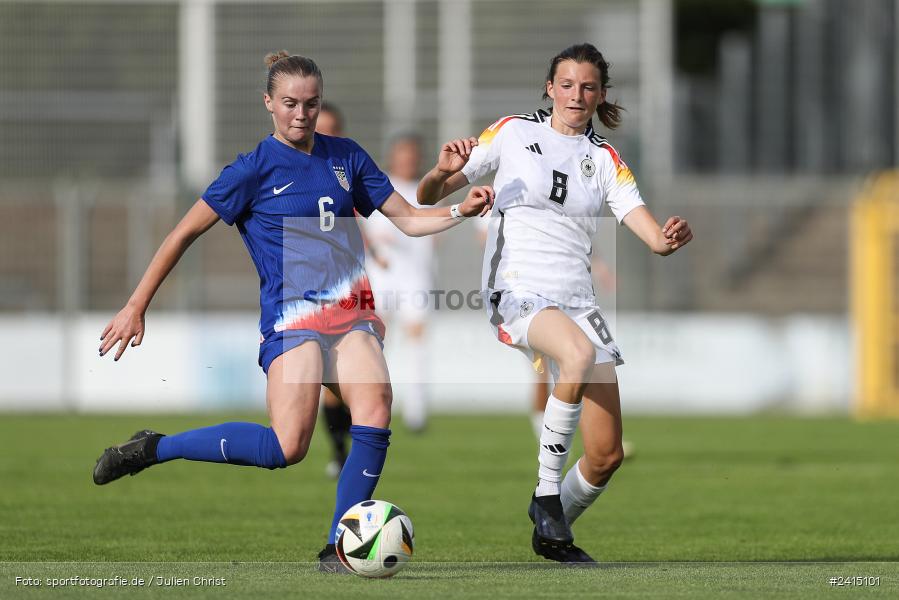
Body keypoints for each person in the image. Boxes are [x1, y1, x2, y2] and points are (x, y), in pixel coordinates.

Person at [93, 51, 493, 573]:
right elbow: (182, 233)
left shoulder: (346, 156)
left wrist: (459, 211)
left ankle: (338, 546)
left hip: (351, 313)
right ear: (269, 104)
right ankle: (156, 448)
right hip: (293, 319)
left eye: (310, 103)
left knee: (374, 409)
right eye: (290, 104)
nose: (301, 113)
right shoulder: (251, 170)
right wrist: (135, 305)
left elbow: (410, 221)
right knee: (287, 446)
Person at [418, 43, 692, 565]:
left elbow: (654, 239)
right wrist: (440, 171)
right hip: (518, 288)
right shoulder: (514, 131)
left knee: (606, 454)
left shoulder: (606, 160)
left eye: (587, 87)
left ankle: (551, 531)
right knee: (575, 356)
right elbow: (431, 194)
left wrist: (672, 236)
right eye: (566, 84)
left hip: (577, 301)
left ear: (601, 95)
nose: (576, 95)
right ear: (549, 87)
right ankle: (546, 494)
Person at [363, 133, 434, 432]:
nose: (407, 160)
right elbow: (361, 224)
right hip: (381, 274)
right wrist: (375, 249)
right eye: (402, 154)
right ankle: (372, 402)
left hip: (415, 275)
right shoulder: (380, 186)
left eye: (412, 155)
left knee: (417, 339)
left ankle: (416, 410)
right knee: (377, 339)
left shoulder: (426, 192)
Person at [312, 101, 357, 479]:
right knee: (332, 383)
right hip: (311, 295)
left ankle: (351, 453)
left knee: (363, 383)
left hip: (355, 287)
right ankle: (340, 451)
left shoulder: (348, 169)